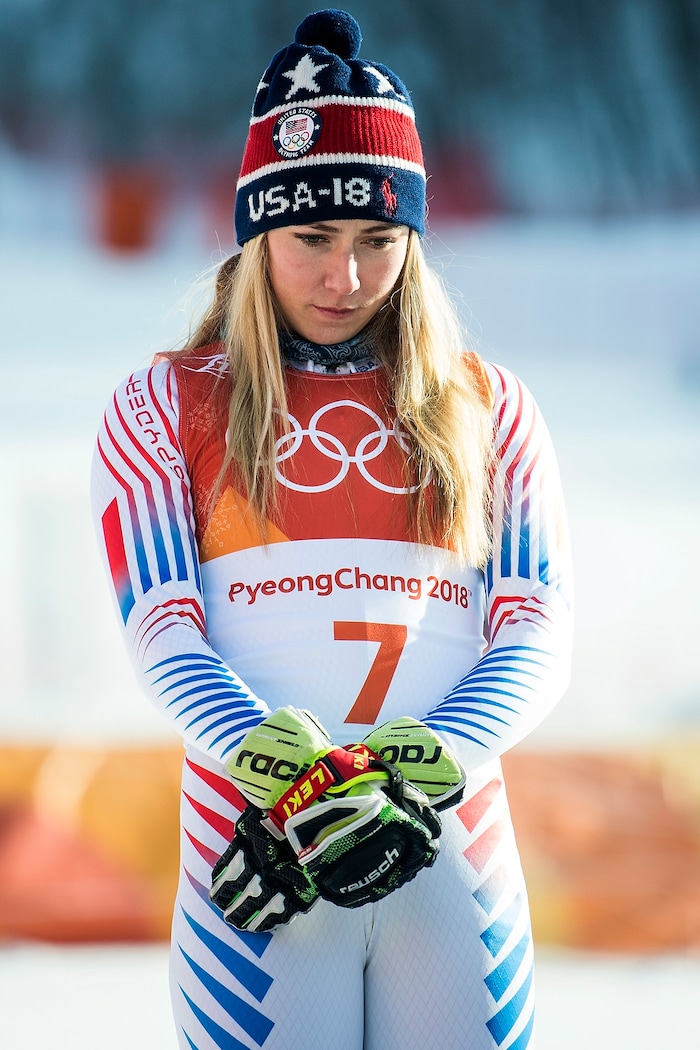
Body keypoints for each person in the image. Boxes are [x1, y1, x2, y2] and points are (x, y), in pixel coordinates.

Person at [91, 9, 573, 1050]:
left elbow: (535, 626)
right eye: (311, 238)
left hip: (448, 852)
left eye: (377, 242)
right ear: (259, 231)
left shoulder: (491, 405)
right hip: (261, 845)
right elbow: (162, 625)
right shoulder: (164, 404)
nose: (344, 278)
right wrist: (272, 758)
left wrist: (430, 754)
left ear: (413, 239)